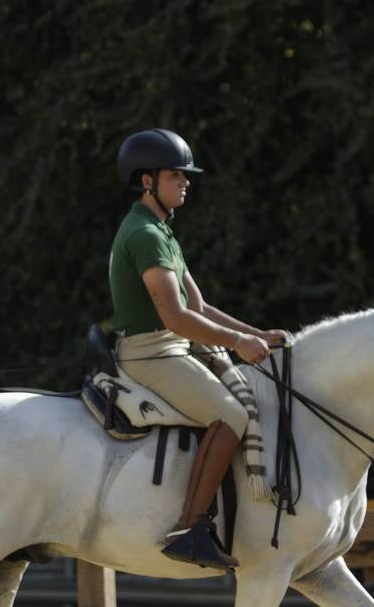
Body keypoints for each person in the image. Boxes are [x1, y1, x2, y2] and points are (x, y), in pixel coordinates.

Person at [108, 128, 287, 568]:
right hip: (152, 352)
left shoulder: (163, 232)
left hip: (173, 345)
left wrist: (257, 334)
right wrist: (237, 342)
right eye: (176, 175)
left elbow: (201, 306)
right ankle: (189, 529)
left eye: (185, 176)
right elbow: (175, 318)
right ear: (147, 180)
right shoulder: (145, 236)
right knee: (231, 414)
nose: (186, 182)